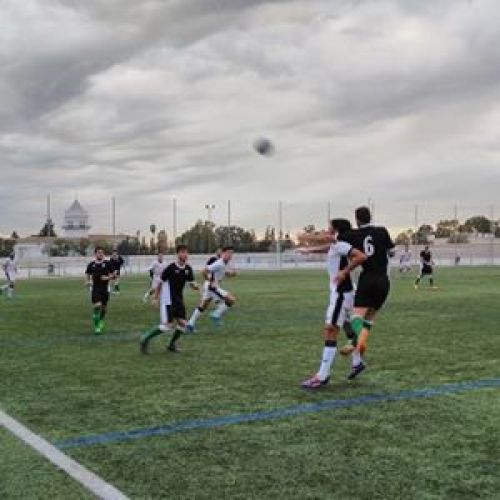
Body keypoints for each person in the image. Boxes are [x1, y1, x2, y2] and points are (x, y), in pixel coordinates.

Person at [301, 219, 367, 389]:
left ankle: (322, 376)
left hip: (340, 294)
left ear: (336, 230)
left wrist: (344, 272)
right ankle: (357, 362)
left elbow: (360, 256)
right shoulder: (337, 245)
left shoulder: (341, 244)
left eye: (330, 228)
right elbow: (328, 247)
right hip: (346, 293)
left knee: (330, 330)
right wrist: (309, 250)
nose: (327, 230)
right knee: (347, 327)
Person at [338, 206, 395, 379]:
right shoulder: (382, 231)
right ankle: (358, 353)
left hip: (367, 279)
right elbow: (391, 252)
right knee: (369, 320)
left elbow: (340, 241)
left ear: (357, 219)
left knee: (356, 318)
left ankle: (358, 344)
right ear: (370, 217)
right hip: (384, 281)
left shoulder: (353, 235)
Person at [140, 245, 199, 354]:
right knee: (168, 326)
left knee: (182, 324)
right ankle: (145, 338)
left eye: (186, 252)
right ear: (177, 254)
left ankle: (171, 345)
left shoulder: (188, 269)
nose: (185, 254)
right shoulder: (170, 268)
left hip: (179, 300)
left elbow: (192, 283)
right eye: (182, 252)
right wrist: (156, 298)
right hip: (168, 300)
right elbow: (160, 283)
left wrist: (195, 286)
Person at [186, 246, 236, 332]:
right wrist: (211, 281)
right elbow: (204, 271)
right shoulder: (219, 263)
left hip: (210, 286)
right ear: (223, 253)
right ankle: (216, 314)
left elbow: (222, 272)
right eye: (228, 252)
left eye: (231, 253)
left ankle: (190, 324)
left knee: (203, 306)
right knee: (231, 300)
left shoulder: (224, 263)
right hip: (212, 287)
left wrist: (231, 273)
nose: (230, 255)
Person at [85, 247, 114, 334]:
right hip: (95, 288)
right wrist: (87, 281)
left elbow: (113, 275)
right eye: (98, 252)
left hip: (105, 288)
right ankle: (97, 327)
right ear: (95, 254)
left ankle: (101, 321)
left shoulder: (107, 263)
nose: (100, 254)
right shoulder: (91, 264)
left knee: (104, 308)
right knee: (97, 306)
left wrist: (107, 277)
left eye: (102, 253)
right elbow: (87, 273)